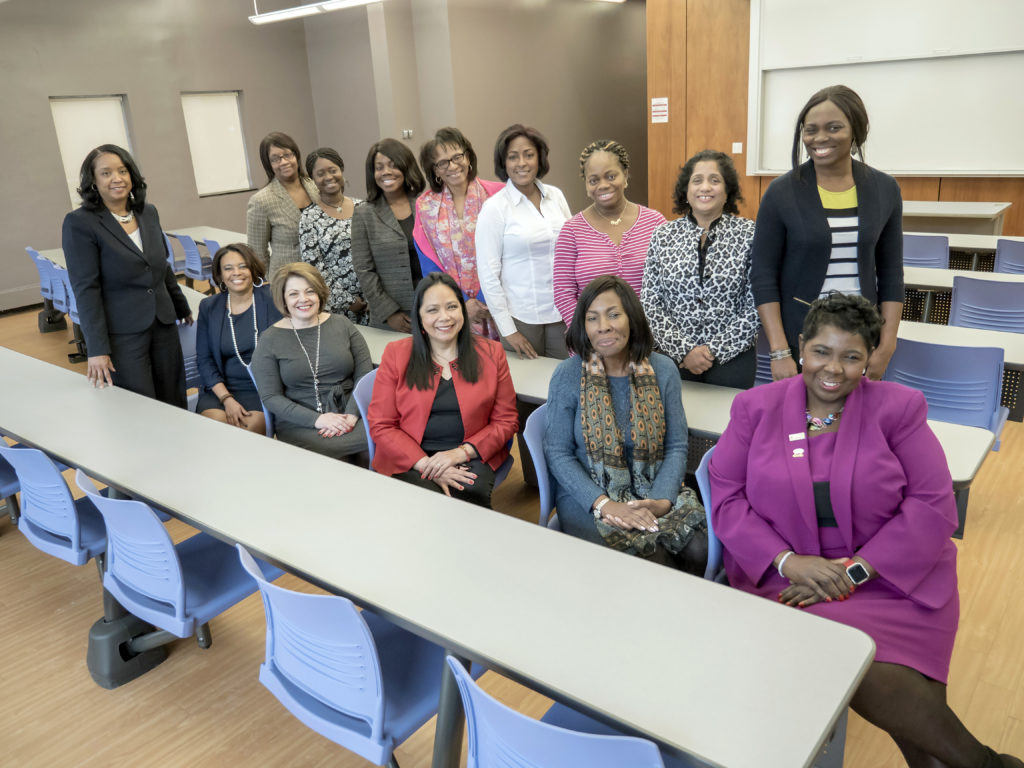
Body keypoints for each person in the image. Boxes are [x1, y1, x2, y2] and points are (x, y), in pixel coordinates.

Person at [709, 293, 1023, 768]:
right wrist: (788, 561)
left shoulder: (898, 408)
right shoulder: (756, 408)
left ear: (869, 360)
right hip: (787, 577)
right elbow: (726, 496)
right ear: (800, 347)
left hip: (892, 576)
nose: (833, 369)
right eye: (821, 352)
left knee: (874, 672)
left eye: (851, 356)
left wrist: (854, 573)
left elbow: (933, 504)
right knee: (862, 661)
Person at [543, 275, 707, 573]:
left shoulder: (663, 369)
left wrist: (661, 500)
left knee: (699, 550)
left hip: (654, 487)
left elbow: (676, 445)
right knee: (653, 560)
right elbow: (557, 453)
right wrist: (605, 504)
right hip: (589, 497)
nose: (603, 325)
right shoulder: (567, 375)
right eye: (592, 318)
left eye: (613, 314)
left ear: (632, 318)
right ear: (584, 326)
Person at [751, 85, 903, 381]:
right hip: (802, 338)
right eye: (811, 130)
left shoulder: (885, 189)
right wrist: (779, 351)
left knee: (852, 422)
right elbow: (763, 276)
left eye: (834, 128)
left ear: (857, 131)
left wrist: (886, 345)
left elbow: (891, 273)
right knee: (801, 424)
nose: (819, 138)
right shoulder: (781, 192)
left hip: (861, 338)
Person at [367, 272, 519, 508]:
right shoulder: (396, 354)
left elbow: (506, 421)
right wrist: (425, 464)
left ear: (462, 310)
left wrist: (459, 454)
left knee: (467, 489)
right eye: (433, 310)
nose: (444, 317)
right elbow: (382, 424)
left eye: (451, 307)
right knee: (423, 500)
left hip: (470, 452)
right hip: (411, 455)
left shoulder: (492, 353)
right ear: (419, 316)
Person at [61, 144, 192, 406]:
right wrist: (97, 349)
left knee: (174, 398)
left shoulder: (148, 212)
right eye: (106, 173)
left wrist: (180, 305)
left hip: (163, 322)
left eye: (122, 171)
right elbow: (86, 289)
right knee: (140, 404)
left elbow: (160, 265)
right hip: (123, 333)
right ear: (93, 182)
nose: (117, 178)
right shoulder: (80, 223)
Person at [641, 150, 758, 388]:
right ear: (686, 190)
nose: (705, 187)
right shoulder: (663, 235)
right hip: (673, 357)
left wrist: (714, 350)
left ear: (727, 191)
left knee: (727, 422)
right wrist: (684, 350)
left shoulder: (750, 234)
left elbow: (756, 303)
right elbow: (650, 301)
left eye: (715, 180)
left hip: (733, 358)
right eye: (697, 180)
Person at [250, 262, 370, 461]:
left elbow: (364, 373)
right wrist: (318, 420)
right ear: (283, 299)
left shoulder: (342, 324)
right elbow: (271, 397)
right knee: (335, 459)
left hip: (350, 411)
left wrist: (353, 414)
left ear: (319, 294)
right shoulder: (269, 340)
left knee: (387, 439)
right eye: (293, 294)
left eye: (310, 291)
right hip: (300, 421)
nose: (303, 299)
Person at [475, 123, 572, 360]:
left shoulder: (555, 196)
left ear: (539, 158)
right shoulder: (494, 208)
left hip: (560, 313)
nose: (522, 163)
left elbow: (572, 248)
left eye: (529, 155)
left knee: (564, 381)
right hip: (521, 317)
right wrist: (509, 331)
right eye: (513, 157)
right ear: (503, 162)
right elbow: (488, 275)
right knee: (525, 390)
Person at [552, 140, 665, 328]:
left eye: (611, 176)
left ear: (626, 175)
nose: (603, 185)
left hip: (649, 340)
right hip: (594, 342)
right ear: (587, 185)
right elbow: (563, 294)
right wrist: (588, 336)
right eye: (594, 180)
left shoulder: (655, 222)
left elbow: (669, 287)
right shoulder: (572, 230)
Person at [413, 127, 505, 338]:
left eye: (457, 157)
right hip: (453, 308)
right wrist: (461, 302)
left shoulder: (498, 195)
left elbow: (508, 252)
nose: (452, 166)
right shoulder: (425, 206)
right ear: (435, 170)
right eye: (443, 162)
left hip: (500, 301)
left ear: (468, 157)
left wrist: (483, 298)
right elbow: (428, 262)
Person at [195, 244, 281, 433]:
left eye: (243, 266)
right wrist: (226, 399)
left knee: (245, 431)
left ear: (252, 269)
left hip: (261, 389)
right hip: (221, 388)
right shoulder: (209, 307)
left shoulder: (273, 301)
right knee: (214, 429)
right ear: (220, 275)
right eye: (228, 268)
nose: (237, 273)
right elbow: (204, 359)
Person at [351, 138, 426, 331]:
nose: (386, 172)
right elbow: (364, 270)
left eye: (393, 165)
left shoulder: (425, 205)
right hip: (392, 317)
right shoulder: (364, 213)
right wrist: (389, 313)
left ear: (406, 167)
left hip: (432, 306)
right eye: (379, 167)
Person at [299, 147, 367, 325]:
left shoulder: (364, 207)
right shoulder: (309, 217)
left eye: (333, 170)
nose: (328, 177)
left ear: (341, 170)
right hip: (336, 309)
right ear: (313, 180)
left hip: (373, 302)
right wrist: (348, 301)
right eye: (320, 173)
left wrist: (373, 295)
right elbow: (314, 267)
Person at [247, 131, 320, 281]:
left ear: (296, 155)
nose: (284, 162)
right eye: (276, 159)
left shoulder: (315, 187)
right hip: (288, 281)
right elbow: (257, 254)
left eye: (288, 155)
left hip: (321, 275)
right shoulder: (261, 201)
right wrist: (274, 281)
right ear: (269, 164)